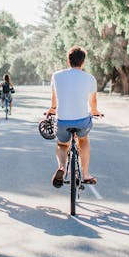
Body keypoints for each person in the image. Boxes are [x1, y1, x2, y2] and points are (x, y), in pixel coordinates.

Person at [46, 46, 102, 188]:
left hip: (62, 120)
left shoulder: (57, 76)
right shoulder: (90, 78)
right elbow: (93, 102)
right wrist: (95, 111)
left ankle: (62, 168)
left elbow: (54, 99)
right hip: (82, 121)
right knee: (83, 140)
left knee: (61, 144)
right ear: (83, 62)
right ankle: (85, 174)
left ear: (68, 60)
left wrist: (52, 110)